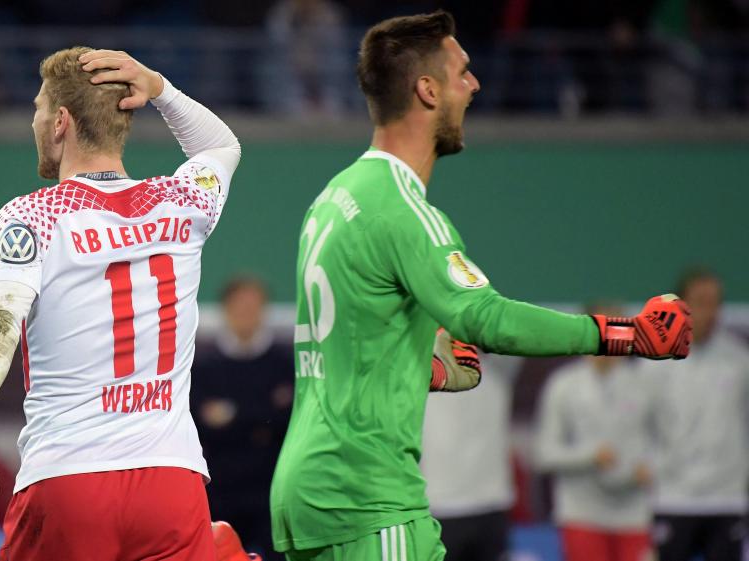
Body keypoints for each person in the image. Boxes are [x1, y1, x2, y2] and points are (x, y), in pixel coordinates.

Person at [269, 11, 692, 561]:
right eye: (462, 72)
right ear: (427, 90)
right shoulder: (401, 209)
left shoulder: (334, 198)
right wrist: (630, 334)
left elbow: (348, 342)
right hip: (367, 494)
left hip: (310, 490)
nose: (475, 85)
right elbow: (486, 319)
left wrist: (427, 367)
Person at [0, 46, 241, 560]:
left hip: (69, 478)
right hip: (171, 480)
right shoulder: (181, 202)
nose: (34, 121)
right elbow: (221, 146)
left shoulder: (33, 216)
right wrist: (160, 89)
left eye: (40, 108)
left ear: (61, 122)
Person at [535, 306, 656, 561]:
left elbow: (664, 441)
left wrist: (651, 467)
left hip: (634, 514)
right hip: (582, 514)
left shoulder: (645, 384)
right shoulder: (563, 384)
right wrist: (591, 456)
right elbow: (544, 453)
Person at [644, 268, 749, 561]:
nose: (710, 311)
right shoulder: (655, 362)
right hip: (674, 497)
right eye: (701, 302)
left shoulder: (739, 361)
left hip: (727, 498)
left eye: (715, 302)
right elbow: (637, 423)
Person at [193, 276, 293, 560]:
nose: (246, 315)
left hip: (271, 488)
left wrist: (232, 415)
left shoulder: (284, 363)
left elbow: (286, 421)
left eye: (253, 307)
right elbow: (202, 424)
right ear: (226, 310)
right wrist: (263, 417)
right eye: (240, 308)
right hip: (221, 488)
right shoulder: (203, 364)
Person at [419, 354, 523, 561]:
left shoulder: (498, 368)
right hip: (439, 506)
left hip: (490, 503)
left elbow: (523, 328)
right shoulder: (417, 367)